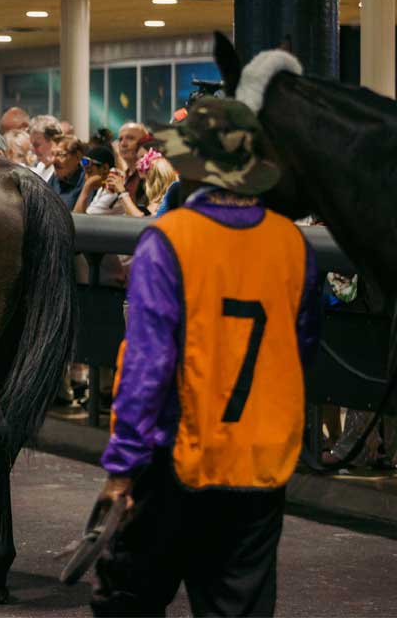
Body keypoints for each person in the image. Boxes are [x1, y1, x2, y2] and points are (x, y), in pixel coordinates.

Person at [91, 98, 320, 617]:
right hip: (260, 466)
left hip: (179, 460)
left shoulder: (170, 239)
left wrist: (122, 469)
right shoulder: (293, 244)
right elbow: (301, 354)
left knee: (127, 600)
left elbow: (147, 365)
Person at [73, 144, 116, 214]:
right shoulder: (102, 187)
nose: (86, 178)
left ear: (105, 168)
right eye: (85, 173)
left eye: (89, 171)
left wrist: (86, 187)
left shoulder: (113, 188)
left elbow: (79, 219)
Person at [49, 134, 86, 210]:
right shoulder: (54, 178)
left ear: (78, 157)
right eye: (52, 154)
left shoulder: (85, 181)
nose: (53, 161)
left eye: (60, 155)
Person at [28, 114, 62, 182]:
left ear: (54, 142)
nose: (33, 150)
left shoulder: (62, 171)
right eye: (32, 145)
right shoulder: (40, 167)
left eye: (37, 145)